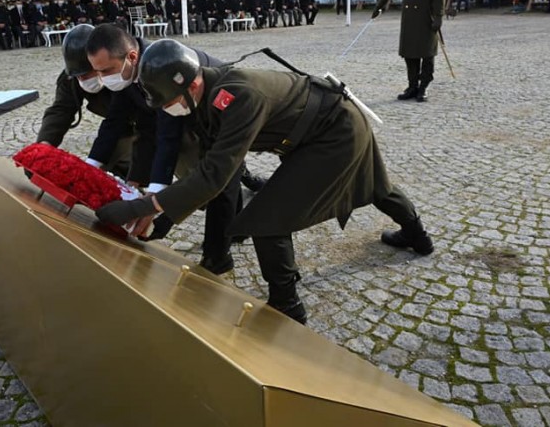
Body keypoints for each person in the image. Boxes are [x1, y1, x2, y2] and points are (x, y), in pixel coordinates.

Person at [95, 40, 434, 324]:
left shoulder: (236, 95)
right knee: (375, 182)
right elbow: (211, 174)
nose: (167, 110)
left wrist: (141, 206)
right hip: (316, 130)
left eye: (168, 102)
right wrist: (161, 217)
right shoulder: (202, 98)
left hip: (335, 132)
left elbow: (215, 175)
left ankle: (287, 306)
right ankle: (418, 237)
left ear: (192, 84)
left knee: (266, 218)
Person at [84, 25, 257, 270]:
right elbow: (142, 128)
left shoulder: (160, 66)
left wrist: (154, 199)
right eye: (97, 72)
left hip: (220, 109)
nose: (102, 79)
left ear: (131, 57)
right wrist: (133, 181)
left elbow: (167, 137)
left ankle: (217, 257)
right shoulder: (126, 73)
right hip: (185, 114)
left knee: (219, 178)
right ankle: (236, 227)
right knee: (218, 178)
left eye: (106, 70)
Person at [36, 24, 132, 174]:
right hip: (112, 126)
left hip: (137, 124)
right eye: (78, 75)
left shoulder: (119, 72)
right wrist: (45, 143)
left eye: (87, 73)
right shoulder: (71, 77)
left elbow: (116, 121)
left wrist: (93, 163)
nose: (82, 79)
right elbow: (61, 110)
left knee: (128, 163)